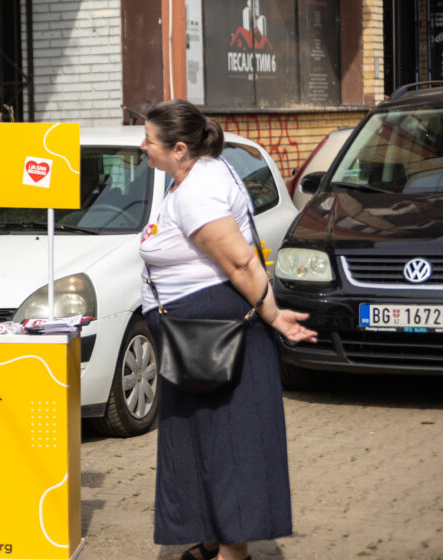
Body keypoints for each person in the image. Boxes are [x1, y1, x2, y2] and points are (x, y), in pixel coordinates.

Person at [137, 99, 317, 560]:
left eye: (150, 141)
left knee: (229, 439)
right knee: (200, 438)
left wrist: (273, 316)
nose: (143, 147)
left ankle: (233, 551)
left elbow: (240, 260)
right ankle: (213, 535)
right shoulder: (198, 173)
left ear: (179, 149)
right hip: (194, 329)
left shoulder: (199, 191)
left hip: (212, 329)